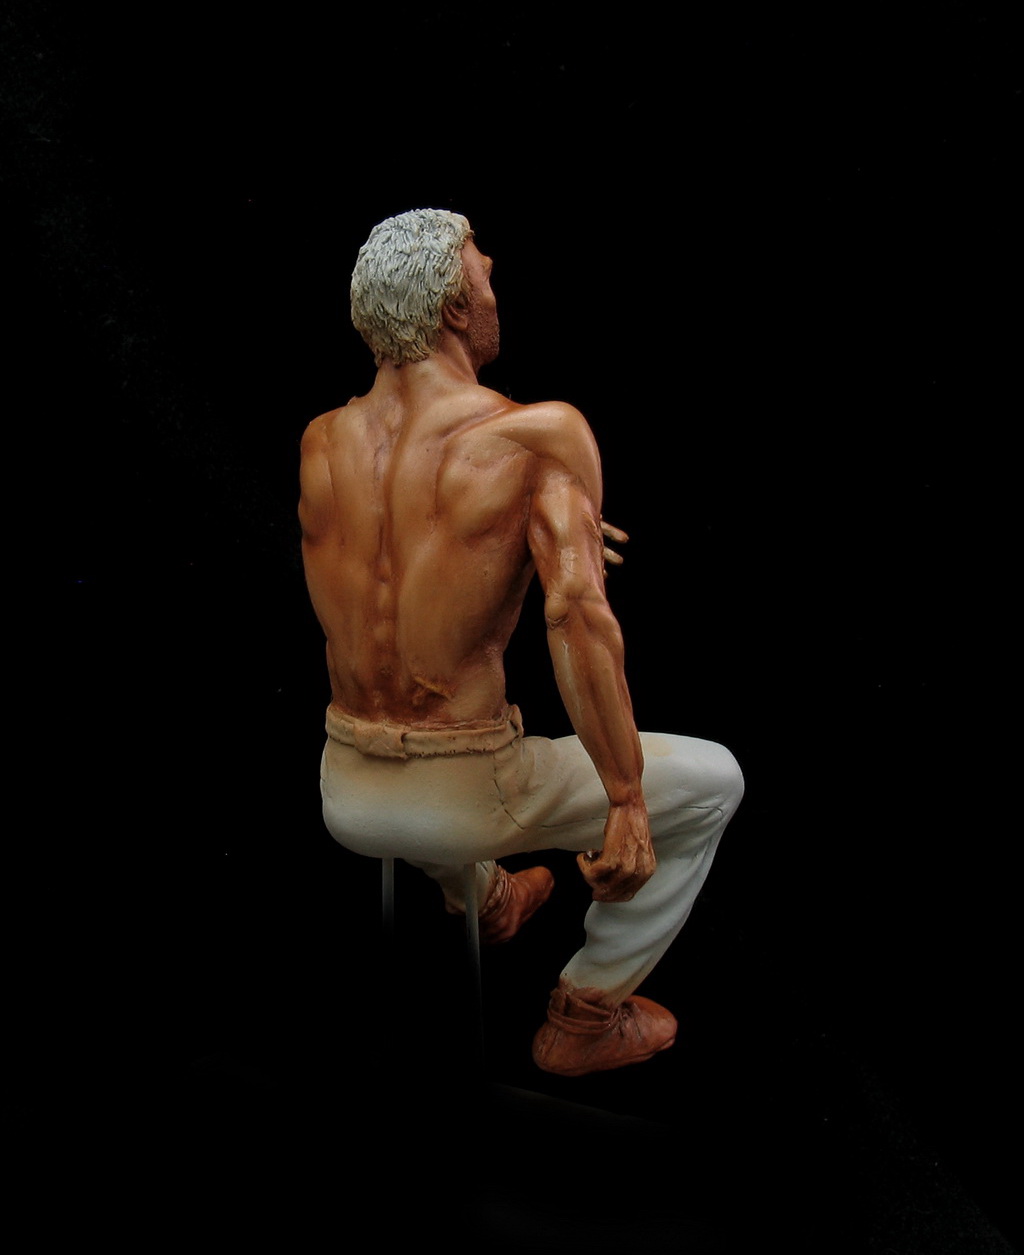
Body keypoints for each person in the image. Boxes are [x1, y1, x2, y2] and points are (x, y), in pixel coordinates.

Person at [299, 209, 743, 1076]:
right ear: (455, 308)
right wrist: (626, 798)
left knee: (434, 756)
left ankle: (488, 895)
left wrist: (533, 522)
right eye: (486, 276)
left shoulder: (321, 440)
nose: (496, 290)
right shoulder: (538, 435)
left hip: (343, 788)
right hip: (462, 797)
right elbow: (575, 610)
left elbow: (392, 568)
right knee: (716, 781)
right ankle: (587, 1011)